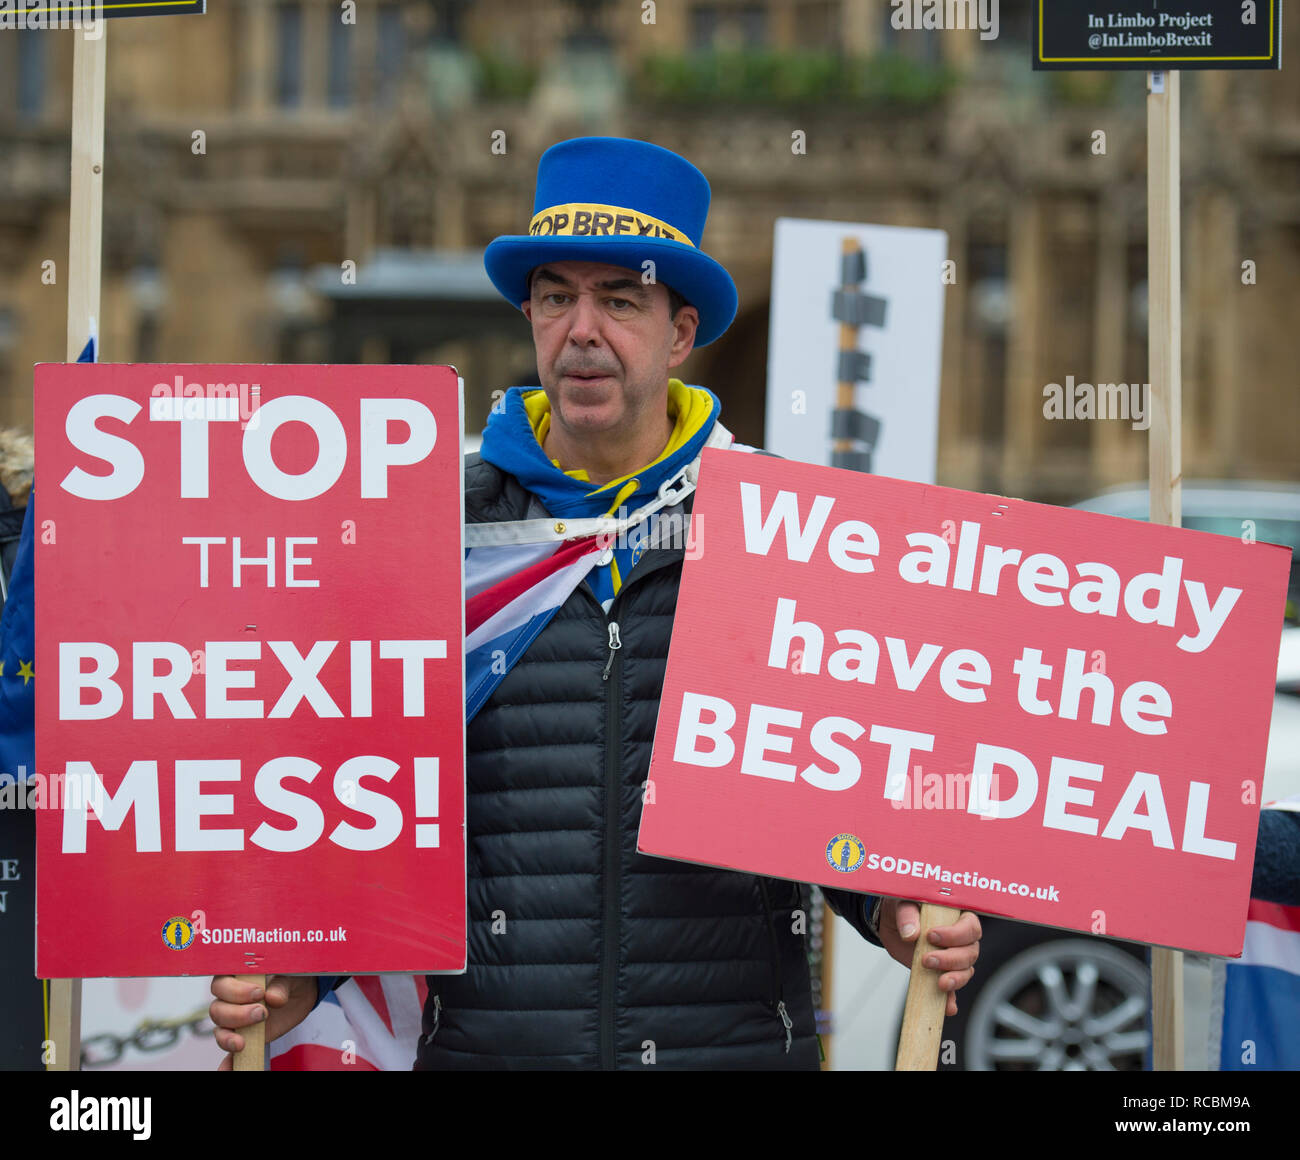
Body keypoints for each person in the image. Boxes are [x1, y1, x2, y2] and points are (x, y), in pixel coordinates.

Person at [211, 136, 981, 1070]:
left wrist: (891, 909)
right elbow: (355, 797)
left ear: (681, 333)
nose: (582, 329)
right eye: (555, 296)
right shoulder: (429, 526)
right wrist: (306, 970)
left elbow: (840, 791)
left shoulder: (780, 527)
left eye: (620, 300)